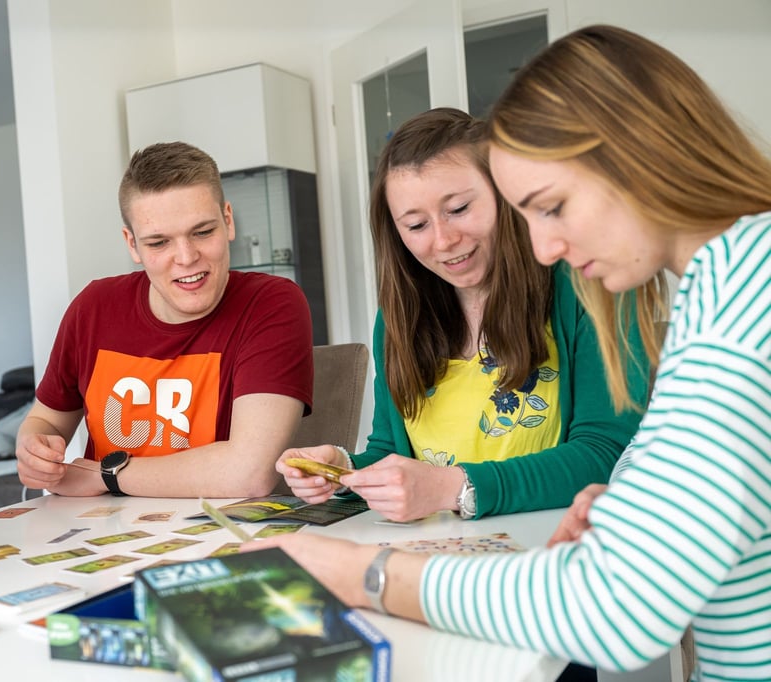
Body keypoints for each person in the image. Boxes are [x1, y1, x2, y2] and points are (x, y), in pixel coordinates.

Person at [251, 25, 771, 680]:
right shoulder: (726, 287)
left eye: (551, 207)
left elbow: (618, 613)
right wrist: (632, 500)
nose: (544, 247)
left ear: (635, 153)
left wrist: (364, 573)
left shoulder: (741, 307)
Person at [277, 108, 650, 522]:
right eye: (416, 225)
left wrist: (454, 488)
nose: (445, 240)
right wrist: (346, 472)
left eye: (458, 208)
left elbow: (606, 454)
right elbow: (393, 453)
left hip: (553, 543)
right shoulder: (398, 317)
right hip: (435, 551)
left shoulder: (586, 282)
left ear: (503, 194)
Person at [16, 141, 313, 499]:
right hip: (101, 534)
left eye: (203, 232)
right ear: (132, 245)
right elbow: (46, 420)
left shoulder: (272, 303)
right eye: (158, 243)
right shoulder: (92, 307)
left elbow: (249, 473)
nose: (186, 258)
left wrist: (105, 475)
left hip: (218, 531)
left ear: (228, 220)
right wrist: (34, 448)